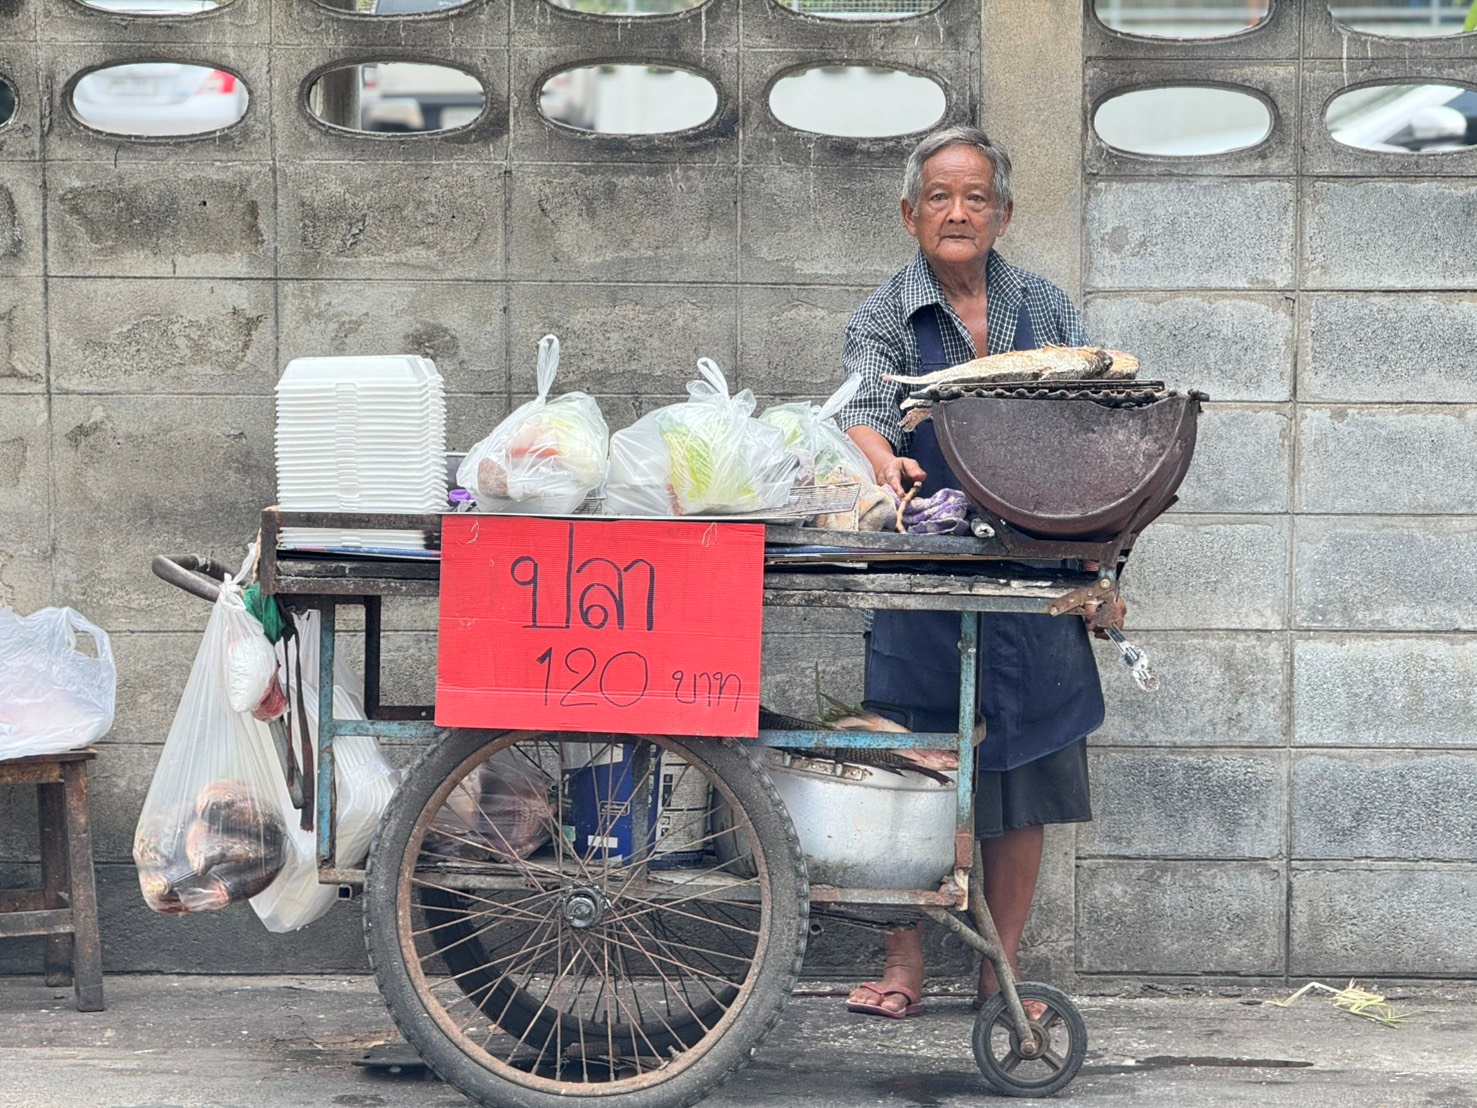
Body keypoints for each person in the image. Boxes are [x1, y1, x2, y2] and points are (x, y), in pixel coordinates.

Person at [835, 124, 1120, 1020]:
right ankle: (905, 964)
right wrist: (882, 459)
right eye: (939, 197)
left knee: (1023, 777)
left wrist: (1100, 563)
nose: (956, 212)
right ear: (909, 214)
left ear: (1002, 213)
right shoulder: (886, 314)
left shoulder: (1044, 307)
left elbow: (1098, 425)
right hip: (925, 568)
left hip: (1031, 567)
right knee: (912, 770)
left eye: (975, 197)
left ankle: (1001, 975)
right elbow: (863, 408)